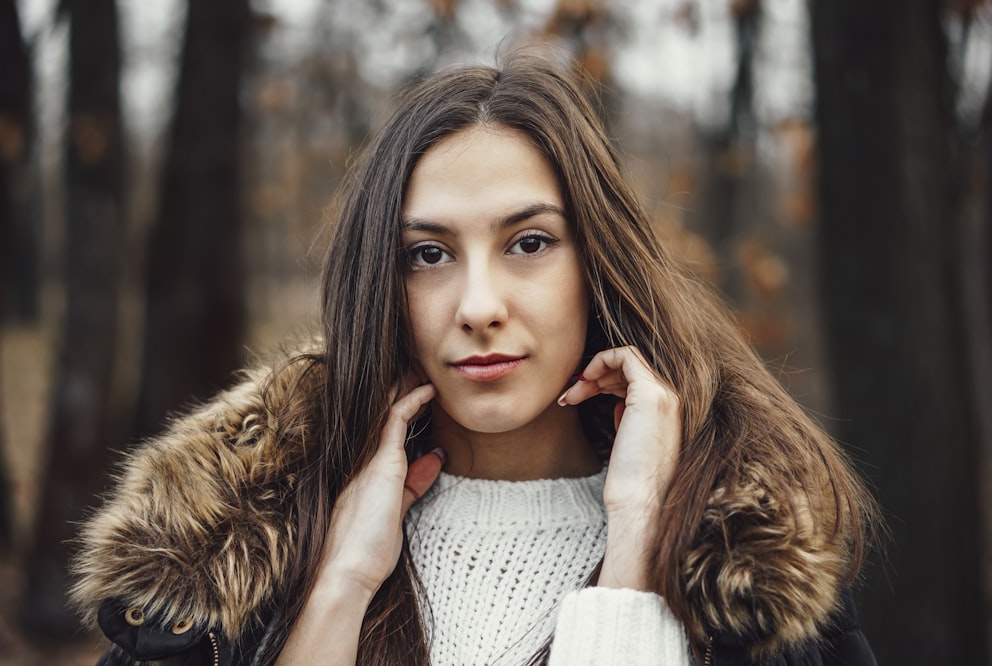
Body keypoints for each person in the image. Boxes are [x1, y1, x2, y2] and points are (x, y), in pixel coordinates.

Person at [71, 52, 878, 665]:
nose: (479, 305)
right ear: (381, 286)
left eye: (529, 243)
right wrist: (340, 590)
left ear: (596, 265)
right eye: (428, 254)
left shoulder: (749, 582)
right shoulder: (230, 562)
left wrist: (635, 548)